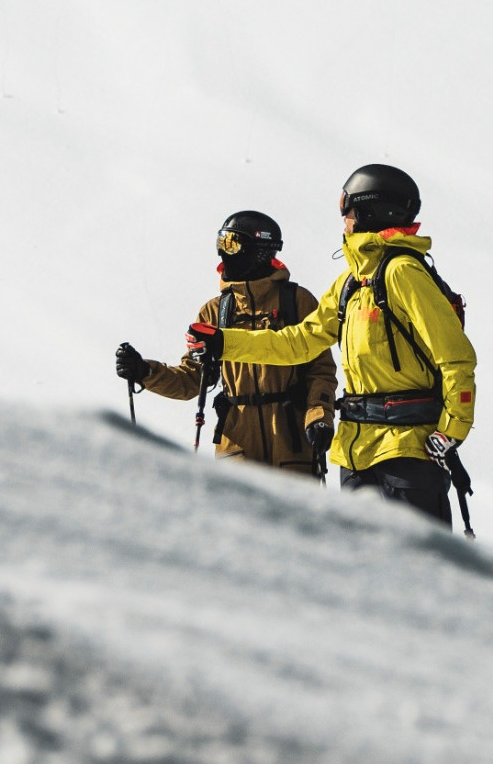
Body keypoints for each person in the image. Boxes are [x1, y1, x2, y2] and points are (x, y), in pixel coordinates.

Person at [191, 164, 477, 525]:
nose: (344, 221)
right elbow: (298, 341)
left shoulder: (403, 273)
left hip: (409, 450)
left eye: (348, 211)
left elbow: (457, 358)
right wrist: (224, 342)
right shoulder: (352, 283)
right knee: (361, 571)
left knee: (419, 569)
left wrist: (451, 431)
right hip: (357, 452)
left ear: (370, 211)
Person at [116, 211, 338, 477]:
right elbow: (191, 380)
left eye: (232, 244)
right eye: (221, 243)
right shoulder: (214, 312)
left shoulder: (297, 302)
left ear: (259, 250)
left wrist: (318, 416)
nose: (223, 253)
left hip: (291, 443)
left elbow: (320, 371)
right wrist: (144, 372)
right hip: (237, 443)